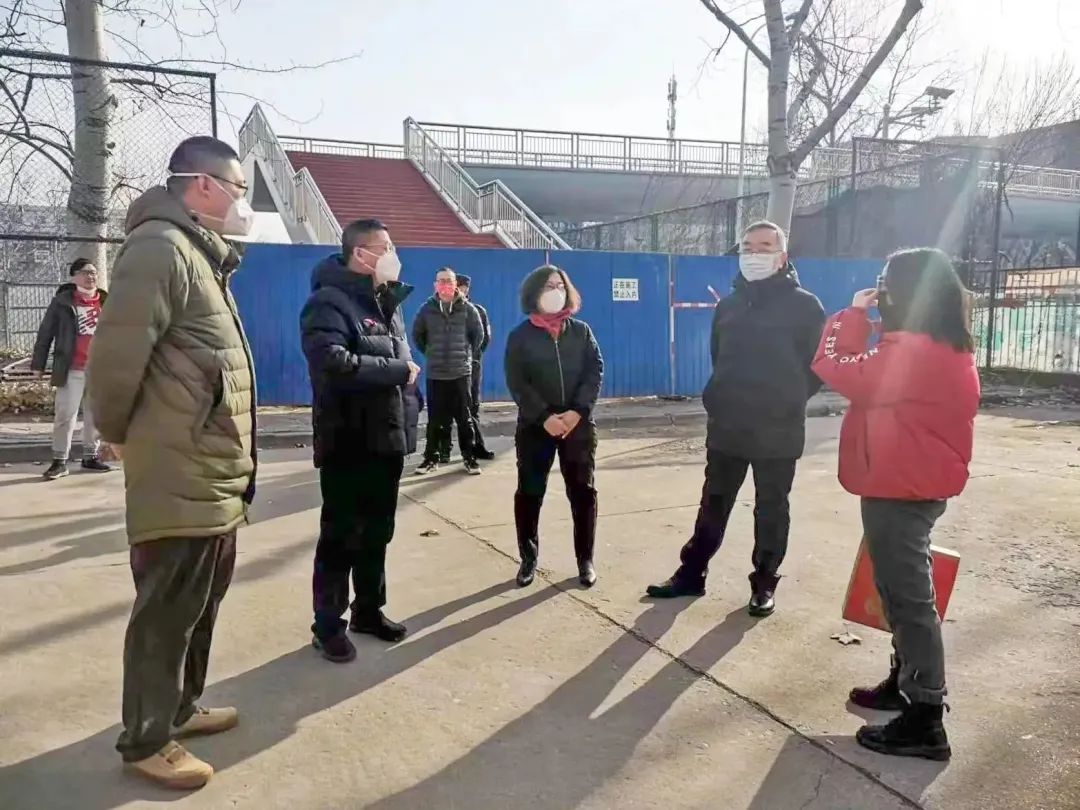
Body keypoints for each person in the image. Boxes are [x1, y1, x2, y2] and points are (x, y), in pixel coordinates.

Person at [86, 136, 257, 790]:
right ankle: (146, 740)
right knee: (165, 613)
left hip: (211, 469)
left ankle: (180, 709)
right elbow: (117, 354)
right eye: (239, 190)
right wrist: (116, 433)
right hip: (178, 467)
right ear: (205, 186)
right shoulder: (160, 248)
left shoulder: (202, 256)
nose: (243, 204)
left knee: (198, 604)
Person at [812, 248, 979, 761]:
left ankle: (926, 715)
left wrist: (853, 315)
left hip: (905, 489)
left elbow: (833, 367)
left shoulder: (917, 352)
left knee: (909, 599)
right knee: (896, 589)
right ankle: (905, 684)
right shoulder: (927, 344)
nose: (880, 290)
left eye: (886, 283)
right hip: (901, 482)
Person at [646, 221, 825, 616]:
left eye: (765, 246)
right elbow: (718, 356)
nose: (755, 254)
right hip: (728, 424)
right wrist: (720, 398)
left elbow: (816, 367)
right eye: (748, 246)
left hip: (778, 427)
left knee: (771, 507)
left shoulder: (805, 305)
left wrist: (786, 399)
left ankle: (764, 583)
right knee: (714, 501)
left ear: (782, 256)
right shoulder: (728, 305)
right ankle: (691, 574)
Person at [300, 218, 422, 665]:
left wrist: (412, 400)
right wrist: (396, 373)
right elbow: (332, 361)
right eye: (384, 246)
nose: (393, 253)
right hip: (348, 438)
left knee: (377, 532)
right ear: (360, 253)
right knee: (341, 536)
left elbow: (402, 356)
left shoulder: (389, 301)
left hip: (387, 436)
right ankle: (328, 625)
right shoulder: (327, 303)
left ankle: (369, 610)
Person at [505, 264, 603, 588]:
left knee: (583, 493)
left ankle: (585, 560)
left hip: (577, 426)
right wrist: (544, 416)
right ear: (534, 292)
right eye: (547, 285)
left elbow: (594, 371)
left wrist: (578, 412)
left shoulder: (581, 331)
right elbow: (517, 382)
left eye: (559, 284)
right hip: (537, 427)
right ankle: (528, 558)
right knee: (530, 493)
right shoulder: (520, 336)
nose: (555, 290)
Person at [31, 258, 112, 479]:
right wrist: (38, 365)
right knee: (66, 415)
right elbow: (45, 333)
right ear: (74, 276)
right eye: (86, 272)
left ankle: (90, 456)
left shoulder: (105, 300)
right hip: (72, 369)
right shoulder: (63, 302)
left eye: (94, 272)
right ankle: (59, 461)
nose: (91, 276)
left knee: (95, 415)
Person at [412, 266, 484, 476]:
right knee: (435, 419)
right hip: (436, 373)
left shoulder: (468, 309)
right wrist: (430, 352)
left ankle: (469, 458)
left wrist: (465, 353)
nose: (445, 285)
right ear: (435, 285)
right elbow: (418, 335)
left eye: (448, 281)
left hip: (461, 372)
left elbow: (478, 336)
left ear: (455, 285)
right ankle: (430, 458)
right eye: (441, 281)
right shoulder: (427, 309)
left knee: (465, 418)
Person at [445, 273, 495, 460]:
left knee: (472, 406)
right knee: (447, 407)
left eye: (465, 286)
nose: (462, 290)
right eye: (459, 285)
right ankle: (444, 449)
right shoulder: (443, 309)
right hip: (448, 366)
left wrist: (473, 356)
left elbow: (485, 338)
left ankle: (477, 447)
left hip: (472, 366)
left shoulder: (478, 310)